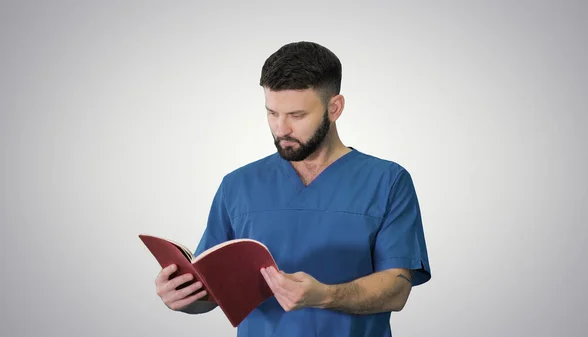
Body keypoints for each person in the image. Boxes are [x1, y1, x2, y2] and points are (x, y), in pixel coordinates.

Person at [154, 41, 431, 337]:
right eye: (272, 113)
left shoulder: (387, 181)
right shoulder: (237, 185)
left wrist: (323, 295)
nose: (280, 129)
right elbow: (210, 292)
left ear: (334, 108)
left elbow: (397, 289)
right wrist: (182, 297)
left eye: (297, 115)